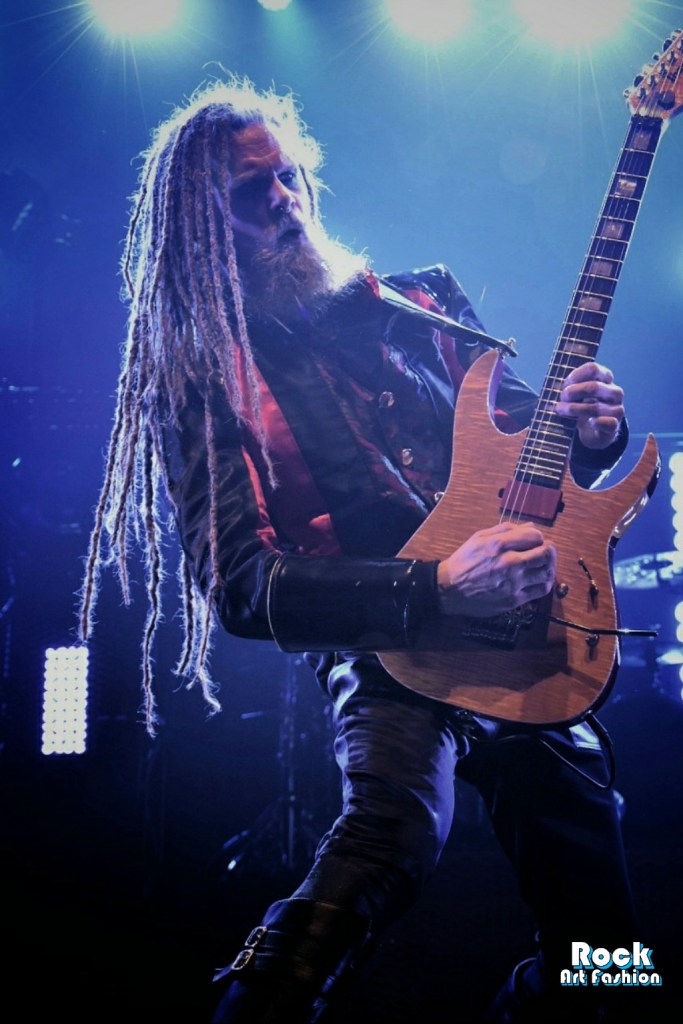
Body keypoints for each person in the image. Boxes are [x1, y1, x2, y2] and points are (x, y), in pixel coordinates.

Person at [79, 76, 637, 1023]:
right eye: (251, 191)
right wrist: (434, 588)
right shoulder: (205, 374)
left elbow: (526, 454)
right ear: (201, 225)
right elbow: (243, 587)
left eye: (290, 176)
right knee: (387, 845)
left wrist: (588, 433)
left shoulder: (420, 304)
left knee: (606, 948)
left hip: (528, 646)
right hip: (387, 657)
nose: (283, 201)